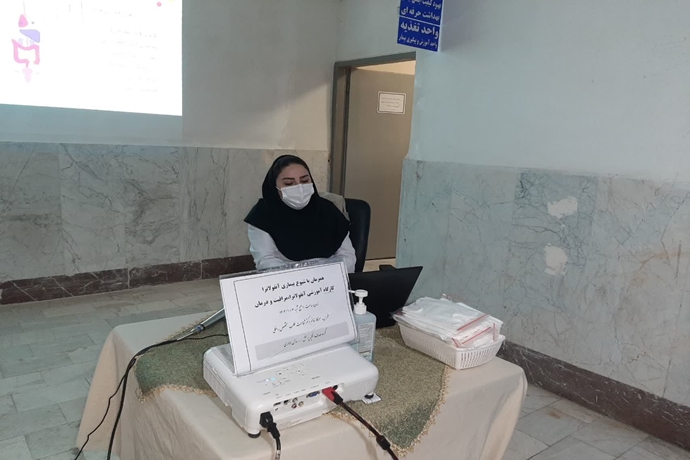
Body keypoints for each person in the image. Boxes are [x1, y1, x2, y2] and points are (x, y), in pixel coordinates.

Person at [244, 155, 357, 272]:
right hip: (287, 280)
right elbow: (266, 262)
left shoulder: (328, 210)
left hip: (333, 278)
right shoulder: (262, 215)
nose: (299, 187)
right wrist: (303, 277)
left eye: (304, 181)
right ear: (274, 187)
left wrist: (322, 275)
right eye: (289, 183)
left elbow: (348, 257)